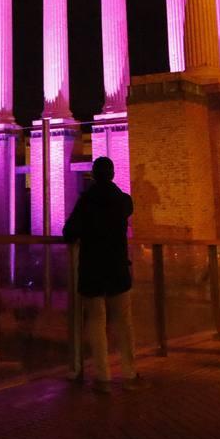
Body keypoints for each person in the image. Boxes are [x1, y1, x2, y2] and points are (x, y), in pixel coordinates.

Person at [63, 157, 141, 394]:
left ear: (93, 175)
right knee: (124, 323)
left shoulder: (86, 202)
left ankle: (103, 376)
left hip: (92, 271)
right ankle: (130, 372)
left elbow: (69, 232)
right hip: (117, 269)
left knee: (96, 324)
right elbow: (129, 207)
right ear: (113, 174)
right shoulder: (122, 201)